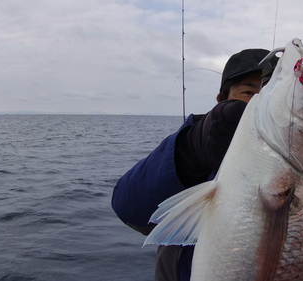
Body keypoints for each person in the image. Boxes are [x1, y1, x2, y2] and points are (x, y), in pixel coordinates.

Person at [111, 48, 279, 281]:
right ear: (222, 100)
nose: (260, 104)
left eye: (273, 93)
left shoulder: (297, 157)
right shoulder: (193, 144)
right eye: (250, 92)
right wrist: (191, 151)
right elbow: (128, 209)